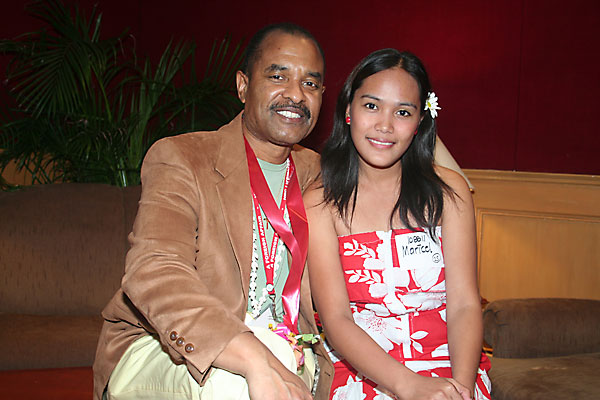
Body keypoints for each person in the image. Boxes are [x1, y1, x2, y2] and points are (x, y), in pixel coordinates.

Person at [93, 23, 334, 400]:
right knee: (237, 384)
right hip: (165, 346)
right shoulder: (184, 158)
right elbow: (155, 269)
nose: (295, 94)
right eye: (278, 76)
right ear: (243, 86)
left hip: (288, 348)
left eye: (310, 84)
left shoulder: (321, 174)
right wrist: (252, 356)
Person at [304, 49, 492, 400]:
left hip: (451, 365)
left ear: (420, 121)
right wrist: (409, 385)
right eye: (371, 106)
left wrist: (462, 389)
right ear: (348, 110)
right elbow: (336, 319)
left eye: (402, 112)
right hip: (361, 369)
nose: (385, 126)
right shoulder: (320, 202)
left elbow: (465, 304)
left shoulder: (450, 192)